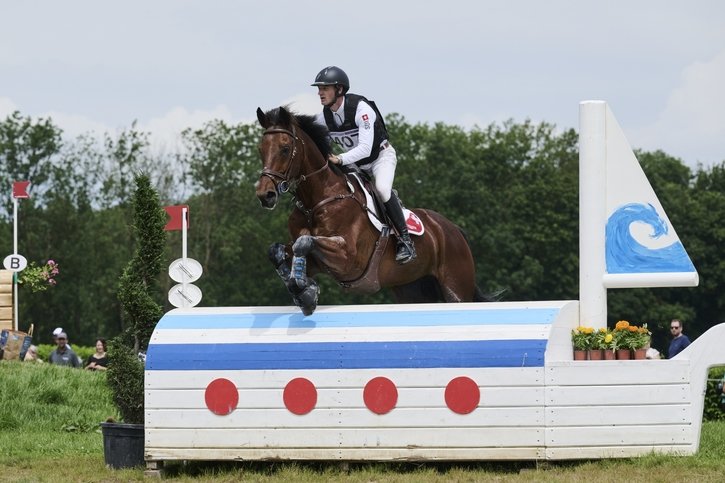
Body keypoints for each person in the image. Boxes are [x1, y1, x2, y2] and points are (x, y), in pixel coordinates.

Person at [311, 65, 416, 264]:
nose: (319, 93)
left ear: (339, 89)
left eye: (325, 88)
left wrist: (340, 159)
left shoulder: (361, 109)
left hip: (380, 158)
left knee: (383, 190)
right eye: (319, 88)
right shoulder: (324, 117)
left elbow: (366, 149)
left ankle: (405, 241)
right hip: (355, 166)